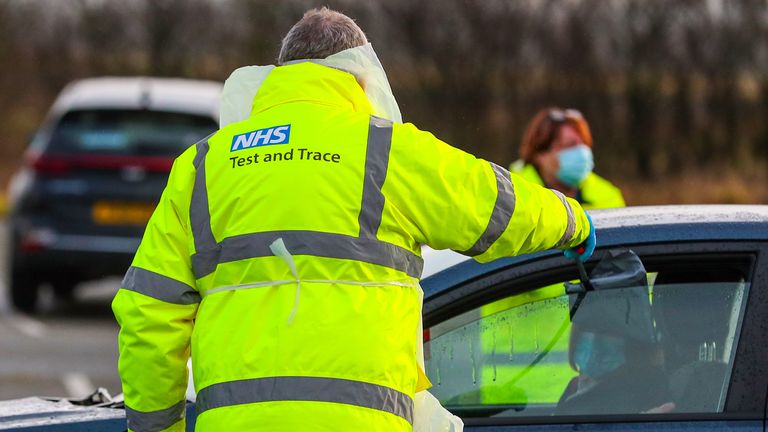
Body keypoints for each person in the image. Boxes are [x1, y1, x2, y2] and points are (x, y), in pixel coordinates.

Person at [112, 7, 595, 432]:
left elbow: (147, 313)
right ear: (361, 75)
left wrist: (159, 429)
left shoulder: (202, 167)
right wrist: (574, 221)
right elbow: (498, 208)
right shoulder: (389, 151)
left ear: (279, 74)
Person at [510, 108, 625, 210]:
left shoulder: (608, 197)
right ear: (540, 155)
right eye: (570, 145)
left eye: (584, 143)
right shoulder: (513, 196)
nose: (581, 151)